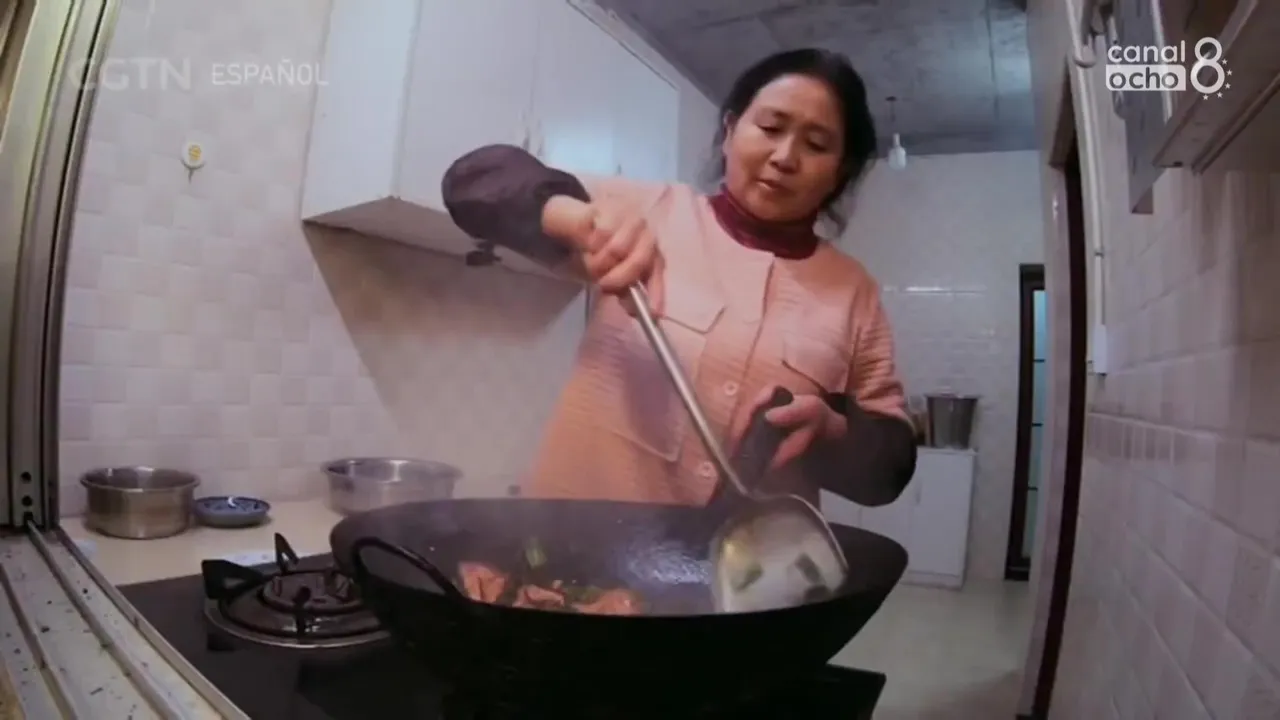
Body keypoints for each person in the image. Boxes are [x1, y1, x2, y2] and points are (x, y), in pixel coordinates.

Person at [442, 48, 916, 508]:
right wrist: (573, 218)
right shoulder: (647, 210)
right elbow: (473, 181)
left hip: (747, 558)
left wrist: (833, 433)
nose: (785, 157)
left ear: (840, 172)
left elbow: (890, 468)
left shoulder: (855, 292)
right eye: (770, 128)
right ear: (730, 132)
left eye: (816, 145)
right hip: (578, 543)